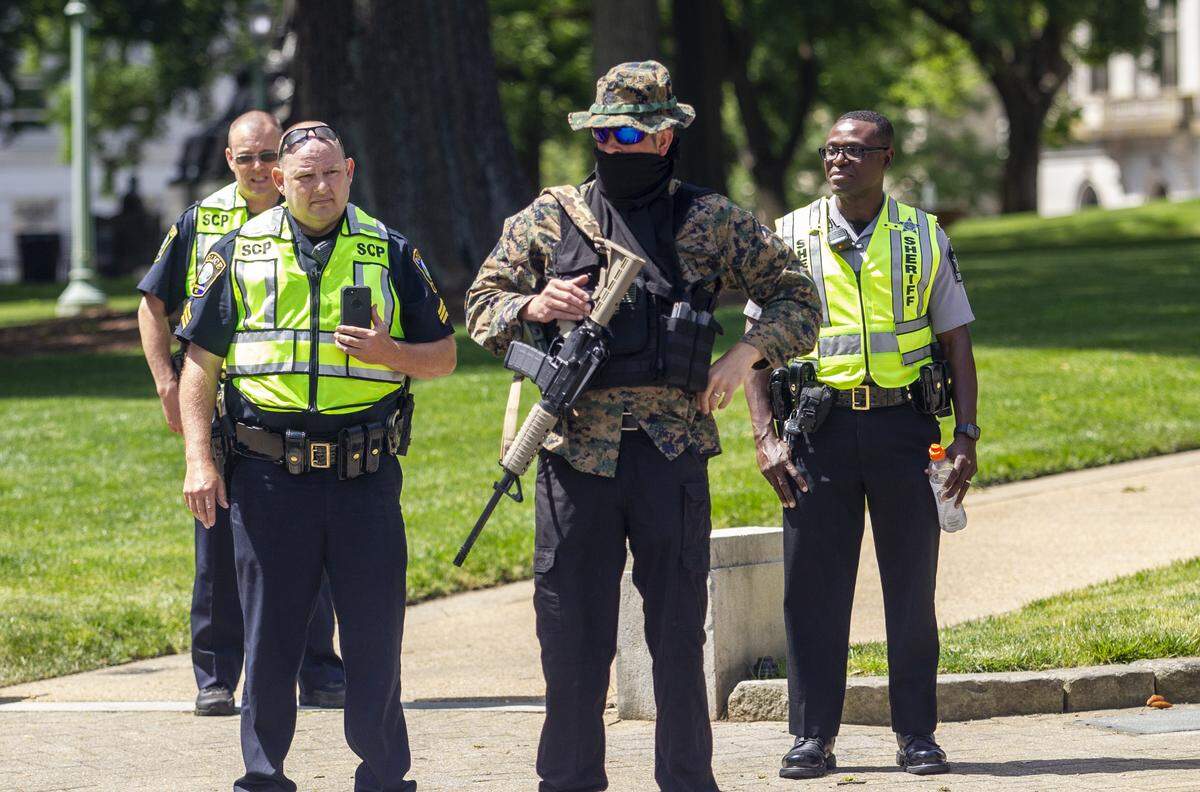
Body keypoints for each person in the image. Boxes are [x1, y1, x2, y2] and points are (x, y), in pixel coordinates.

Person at [466, 61, 820, 792]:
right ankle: (567, 782)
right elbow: (480, 304)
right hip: (574, 459)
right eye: (604, 133)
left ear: (665, 139)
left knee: (676, 642)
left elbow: (797, 298)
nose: (616, 146)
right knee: (570, 641)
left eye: (631, 132)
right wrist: (535, 307)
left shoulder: (711, 219)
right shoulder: (549, 217)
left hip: (671, 455)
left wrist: (744, 357)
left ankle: (688, 783)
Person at [176, 120, 456, 792]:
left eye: (331, 173)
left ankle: (385, 777)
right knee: (270, 639)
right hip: (268, 477)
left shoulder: (389, 249)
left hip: (365, 480)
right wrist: (198, 459)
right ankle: (263, 776)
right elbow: (198, 367)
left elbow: (444, 356)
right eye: (304, 176)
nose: (320, 187)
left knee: (374, 637)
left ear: (351, 171)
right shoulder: (238, 250)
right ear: (278, 179)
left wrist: (392, 355)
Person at [743, 110, 981, 779]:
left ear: (885, 157)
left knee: (912, 589)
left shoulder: (922, 235)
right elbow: (755, 347)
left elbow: (956, 339)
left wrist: (965, 434)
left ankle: (918, 738)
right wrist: (766, 439)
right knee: (813, 592)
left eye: (853, 150)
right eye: (831, 150)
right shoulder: (787, 235)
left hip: (906, 432)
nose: (838, 159)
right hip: (815, 433)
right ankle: (811, 738)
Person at [135, 110, 346, 716]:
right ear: (229, 160)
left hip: (290, 413)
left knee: (313, 545)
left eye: (266, 157)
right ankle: (216, 676)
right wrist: (165, 383)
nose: (257, 169)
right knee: (217, 548)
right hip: (220, 410)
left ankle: (318, 668)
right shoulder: (200, 221)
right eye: (244, 158)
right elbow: (154, 302)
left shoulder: (315, 218)